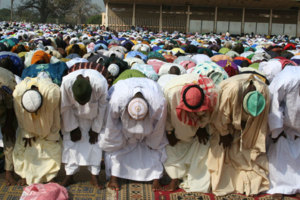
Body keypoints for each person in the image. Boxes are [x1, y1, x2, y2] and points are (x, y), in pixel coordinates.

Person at [207, 74, 270, 196]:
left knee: (248, 154)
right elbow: (221, 116)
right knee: (222, 150)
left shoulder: (264, 91)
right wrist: (224, 134)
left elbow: (260, 122)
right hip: (225, 121)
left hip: (247, 124)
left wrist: (248, 134)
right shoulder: (231, 91)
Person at [101, 77, 167, 191]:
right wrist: (117, 143)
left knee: (157, 147)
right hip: (124, 130)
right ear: (126, 108)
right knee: (114, 147)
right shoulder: (117, 101)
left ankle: (156, 178)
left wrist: (152, 143)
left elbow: (158, 130)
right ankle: (114, 177)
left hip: (148, 130)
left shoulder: (158, 103)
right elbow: (111, 128)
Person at [162, 73, 219, 192]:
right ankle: (175, 178)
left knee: (202, 147)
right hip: (177, 129)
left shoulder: (209, 92)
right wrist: (170, 132)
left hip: (199, 130)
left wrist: (202, 127)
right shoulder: (171, 93)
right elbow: (166, 115)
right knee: (172, 149)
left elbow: (209, 112)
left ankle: (194, 175)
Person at [60, 69, 108, 188]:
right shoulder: (66, 83)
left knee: (95, 144)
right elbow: (65, 107)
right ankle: (69, 175)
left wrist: (95, 129)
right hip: (73, 115)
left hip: (94, 116)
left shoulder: (100, 84)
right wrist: (72, 128)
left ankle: (94, 175)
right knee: (71, 144)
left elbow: (102, 107)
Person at [12, 75, 62, 186]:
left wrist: (53, 134)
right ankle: (25, 175)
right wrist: (27, 133)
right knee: (25, 146)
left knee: (51, 148)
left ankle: (49, 176)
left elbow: (56, 115)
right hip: (27, 126)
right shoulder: (18, 94)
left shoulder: (51, 93)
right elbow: (19, 117)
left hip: (48, 125)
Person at [267, 66, 300, 199]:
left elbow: (276, 105)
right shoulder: (286, 80)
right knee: (282, 154)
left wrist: (276, 130)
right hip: (285, 129)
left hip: (291, 126)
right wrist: (277, 130)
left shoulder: (287, 79)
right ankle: (281, 187)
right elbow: (275, 105)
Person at [0, 67, 18, 185]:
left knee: (9, 138)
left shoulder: (6, 85)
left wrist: (8, 124)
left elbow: (10, 106)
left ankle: (9, 172)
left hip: (6, 107)